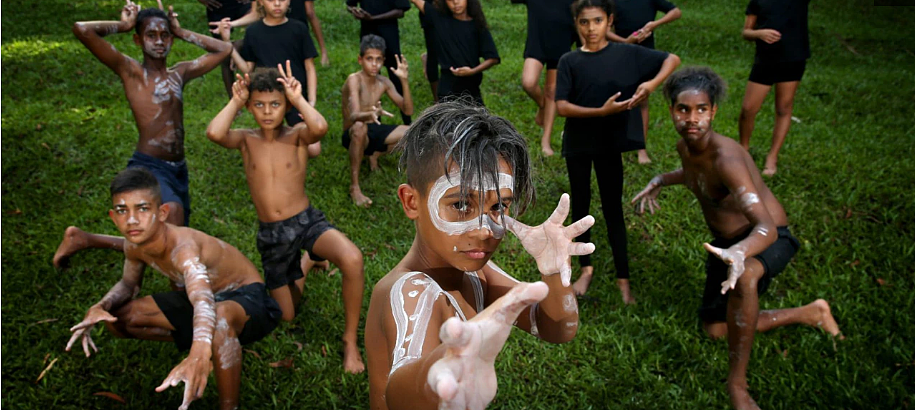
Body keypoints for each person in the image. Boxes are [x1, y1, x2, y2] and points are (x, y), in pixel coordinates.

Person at [632, 66, 842, 410]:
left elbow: (767, 228)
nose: (692, 118)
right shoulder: (687, 147)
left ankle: (737, 386)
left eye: (701, 109)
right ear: (671, 110)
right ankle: (811, 313)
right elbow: (693, 173)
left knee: (745, 277)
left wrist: (741, 253)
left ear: (713, 111)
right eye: (683, 109)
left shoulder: (727, 157)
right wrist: (660, 179)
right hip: (729, 246)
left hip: (765, 239)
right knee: (715, 329)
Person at [365, 101, 595, 410]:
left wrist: (554, 272)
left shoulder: (475, 274)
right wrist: (435, 378)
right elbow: (398, 393)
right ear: (411, 201)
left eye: (497, 207)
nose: (485, 229)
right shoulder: (413, 292)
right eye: (461, 205)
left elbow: (557, 329)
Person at [65, 168, 281, 410]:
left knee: (218, 317)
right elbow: (128, 285)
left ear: (163, 213)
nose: (132, 220)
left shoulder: (183, 248)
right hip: (206, 301)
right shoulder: (134, 244)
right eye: (122, 211)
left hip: (249, 300)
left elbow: (203, 300)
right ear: (112, 217)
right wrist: (100, 306)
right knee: (119, 320)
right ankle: (213, 342)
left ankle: (228, 404)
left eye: (143, 209)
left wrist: (199, 352)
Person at [206, 64, 367, 373]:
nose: (267, 111)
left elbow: (320, 128)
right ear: (250, 106)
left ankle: (349, 341)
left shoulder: (297, 135)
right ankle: (308, 261)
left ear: (286, 105)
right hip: (272, 235)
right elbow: (214, 132)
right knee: (287, 314)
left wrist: (299, 98)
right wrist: (235, 101)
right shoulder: (245, 138)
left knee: (352, 258)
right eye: (259, 104)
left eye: (276, 104)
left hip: (305, 222)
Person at [54, 1, 232, 269]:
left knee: (169, 236)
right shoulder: (132, 72)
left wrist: (181, 31)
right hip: (150, 165)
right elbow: (82, 30)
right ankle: (182, 293)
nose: (159, 42)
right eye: (151, 35)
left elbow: (224, 49)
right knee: (173, 221)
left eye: (164, 36)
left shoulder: (179, 73)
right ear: (138, 40)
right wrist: (124, 25)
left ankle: (85, 239)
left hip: (177, 170)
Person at [555, 0, 680, 303]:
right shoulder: (569, 60)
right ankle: (586, 269)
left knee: (613, 209)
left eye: (597, 21)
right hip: (579, 143)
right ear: (577, 25)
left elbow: (672, 59)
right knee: (581, 204)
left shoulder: (627, 53)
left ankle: (623, 279)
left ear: (609, 21)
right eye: (584, 22)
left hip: (610, 144)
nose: (591, 29)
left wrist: (651, 85)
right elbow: (561, 106)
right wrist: (601, 111)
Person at [223, 0, 322, 158]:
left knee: (314, 149)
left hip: (294, 94)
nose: (277, 4)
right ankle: (282, 144)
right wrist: (228, 43)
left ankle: (289, 137)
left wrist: (311, 102)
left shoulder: (299, 28)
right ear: (261, 2)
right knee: (269, 145)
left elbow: (310, 67)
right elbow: (248, 69)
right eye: (271, 0)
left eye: (281, 0)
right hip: (268, 96)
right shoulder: (253, 32)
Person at [738, 0, 811, 176]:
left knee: (783, 108)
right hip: (766, 59)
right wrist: (759, 34)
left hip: (794, 57)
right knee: (748, 109)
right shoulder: (758, 1)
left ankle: (772, 158)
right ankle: (743, 150)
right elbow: (746, 32)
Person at [606, 0, 682, 164]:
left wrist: (653, 24)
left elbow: (676, 12)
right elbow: (604, 29)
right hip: (620, 52)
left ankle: (641, 149)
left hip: (645, 53)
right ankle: (616, 145)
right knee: (618, 98)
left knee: (642, 99)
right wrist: (625, 41)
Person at [342, 35, 413, 207]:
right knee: (360, 128)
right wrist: (368, 115)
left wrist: (404, 81)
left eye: (378, 59)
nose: (374, 64)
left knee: (414, 132)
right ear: (360, 60)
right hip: (354, 133)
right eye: (369, 59)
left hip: (374, 127)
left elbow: (408, 110)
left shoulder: (384, 82)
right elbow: (354, 116)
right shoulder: (354, 80)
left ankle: (375, 153)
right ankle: (355, 187)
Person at [512, 0, 577, 156]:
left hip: (561, 45)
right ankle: (543, 105)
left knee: (552, 91)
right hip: (537, 44)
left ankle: (545, 140)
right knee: (528, 82)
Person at [409, 0, 500, 106]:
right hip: (447, 89)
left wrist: (472, 71)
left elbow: (493, 58)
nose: (455, 2)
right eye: (450, 0)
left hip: (472, 90)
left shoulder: (477, 25)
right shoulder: (439, 19)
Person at [346, 0, 412, 124]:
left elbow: (400, 11)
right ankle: (375, 120)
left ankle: (407, 121)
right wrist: (354, 11)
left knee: (396, 76)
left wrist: (374, 18)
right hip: (368, 34)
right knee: (371, 79)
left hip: (389, 34)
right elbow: (350, 4)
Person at [199, 0, 252, 98]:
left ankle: (238, 45)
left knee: (255, 35)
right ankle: (233, 98)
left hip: (245, 4)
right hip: (219, 4)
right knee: (223, 52)